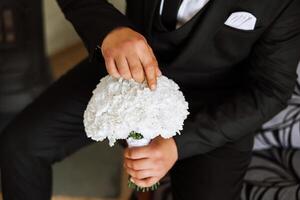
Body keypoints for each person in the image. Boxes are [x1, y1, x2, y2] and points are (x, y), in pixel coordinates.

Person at [1, 0, 300, 199]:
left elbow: (271, 90)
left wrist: (177, 146)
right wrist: (110, 30)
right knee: (20, 145)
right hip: (125, 75)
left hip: (216, 107)